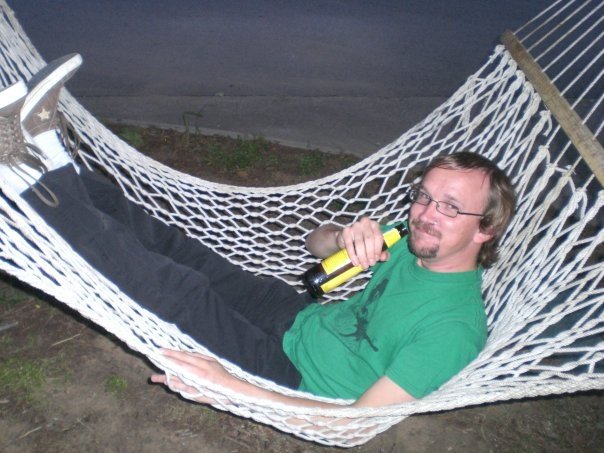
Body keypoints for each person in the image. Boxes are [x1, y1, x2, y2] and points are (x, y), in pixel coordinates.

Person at [0, 55, 516, 409]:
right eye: (424, 195)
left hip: (291, 374)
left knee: (174, 288)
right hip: (298, 315)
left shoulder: (454, 330)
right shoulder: (411, 238)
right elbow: (314, 244)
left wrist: (232, 385)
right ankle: (55, 161)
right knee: (183, 252)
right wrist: (343, 237)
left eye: (451, 207)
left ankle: (23, 179)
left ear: (486, 229)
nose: (426, 213)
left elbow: (356, 423)